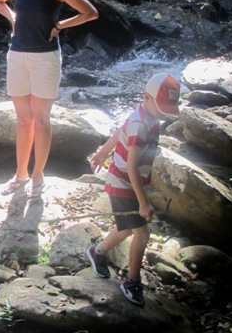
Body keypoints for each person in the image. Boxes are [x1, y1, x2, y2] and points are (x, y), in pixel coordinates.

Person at [0, 0, 98, 199]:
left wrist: (60, 25)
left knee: (40, 119)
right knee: (23, 119)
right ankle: (20, 174)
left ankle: (38, 175)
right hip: (17, 55)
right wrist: (12, 17)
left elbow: (90, 12)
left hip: (45, 58)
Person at [87, 72, 181, 306]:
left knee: (128, 228)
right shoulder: (141, 125)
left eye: (167, 108)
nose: (164, 113)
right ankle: (132, 281)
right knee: (142, 233)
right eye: (161, 107)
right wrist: (143, 202)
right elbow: (131, 166)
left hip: (126, 182)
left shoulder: (144, 114)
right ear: (146, 97)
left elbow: (121, 131)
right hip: (124, 183)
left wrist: (103, 152)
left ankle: (97, 252)